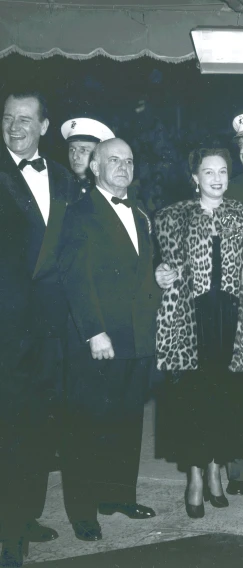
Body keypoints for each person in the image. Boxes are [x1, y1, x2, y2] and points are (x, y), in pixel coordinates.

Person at [155, 113, 243, 496]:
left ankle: (216, 470)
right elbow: (163, 269)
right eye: (207, 171)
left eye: (222, 172)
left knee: (227, 400)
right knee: (192, 400)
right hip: (190, 323)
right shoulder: (170, 218)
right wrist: (162, 274)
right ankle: (195, 475)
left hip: (232, 323)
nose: (216, 178)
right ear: (194, 176)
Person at [58, 138, 160, 542]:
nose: (122, 167)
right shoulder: (80, 212)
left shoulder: (139, 214)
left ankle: (118, 496)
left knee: (126, 421)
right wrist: (94, 331)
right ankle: (83, 512)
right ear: (94, 167)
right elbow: (75, 277)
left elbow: (138, 275)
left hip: (135, 338)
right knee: (87, 426)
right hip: (99, 339)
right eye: (113, 160)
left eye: (129, 161)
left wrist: (160, 279)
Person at [0, 90, 78, 567]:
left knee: (35, 427)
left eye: (25, 119)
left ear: (45, 127)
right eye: (8, 118)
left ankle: (25, 514)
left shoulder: (66, 180)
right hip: (6, 328)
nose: (14, 127)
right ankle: (10, 533)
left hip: (49, 331)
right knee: (8, 428)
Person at [60, 117, 114, 193]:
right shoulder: (61, 187)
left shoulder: (110, 190)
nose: (75, 156)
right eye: (72, 149)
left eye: (83, 150)